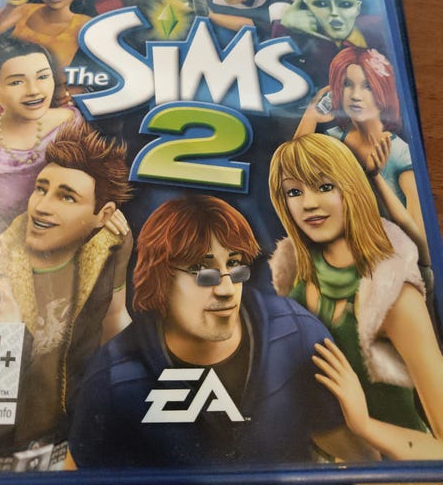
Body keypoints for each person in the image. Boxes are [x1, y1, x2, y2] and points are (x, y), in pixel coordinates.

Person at [68, 195, 378, 469]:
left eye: (235, 265)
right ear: (160, 277)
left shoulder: (296, 336)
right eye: (203, 272)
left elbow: (362, 461)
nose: (227, 289)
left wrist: (362, 428)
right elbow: (76, 477)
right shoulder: (112, 377)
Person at [0, 122, 133, 472]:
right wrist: (2, 331)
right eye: (41, 189)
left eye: (66, 196)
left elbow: (116, 323)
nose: (41, 206)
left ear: (102, 215)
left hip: (64, 450)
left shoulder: (106, 254)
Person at [268, 133, 443, 458]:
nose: (308, 203)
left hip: (396, 468)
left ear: (352, 188)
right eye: (294, 191)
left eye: (324, 186)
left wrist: (363, 425)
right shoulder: (295, 276)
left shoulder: (393, 295)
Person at [293, 46, 429, 268]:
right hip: (340, 263)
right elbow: (290, 172)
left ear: (383, 90)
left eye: (367, 86)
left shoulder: (400, 154)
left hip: (391, 267)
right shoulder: (333, 140)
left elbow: (423, 254)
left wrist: (374, 177)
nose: (355, 96)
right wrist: (311, 117)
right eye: (347, 84)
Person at [0, 35, 81, 236]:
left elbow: (91, 179)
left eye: (42, 77)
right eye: (17, 82)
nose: (33, 91)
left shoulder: (69, 121)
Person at [272, 0, 387, 89]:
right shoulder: (307, 44)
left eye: (345, 4)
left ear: (357, 8)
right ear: (308, 7)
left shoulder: (379, 28)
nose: (334, 12)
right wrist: (285, 27)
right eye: (321, 4)